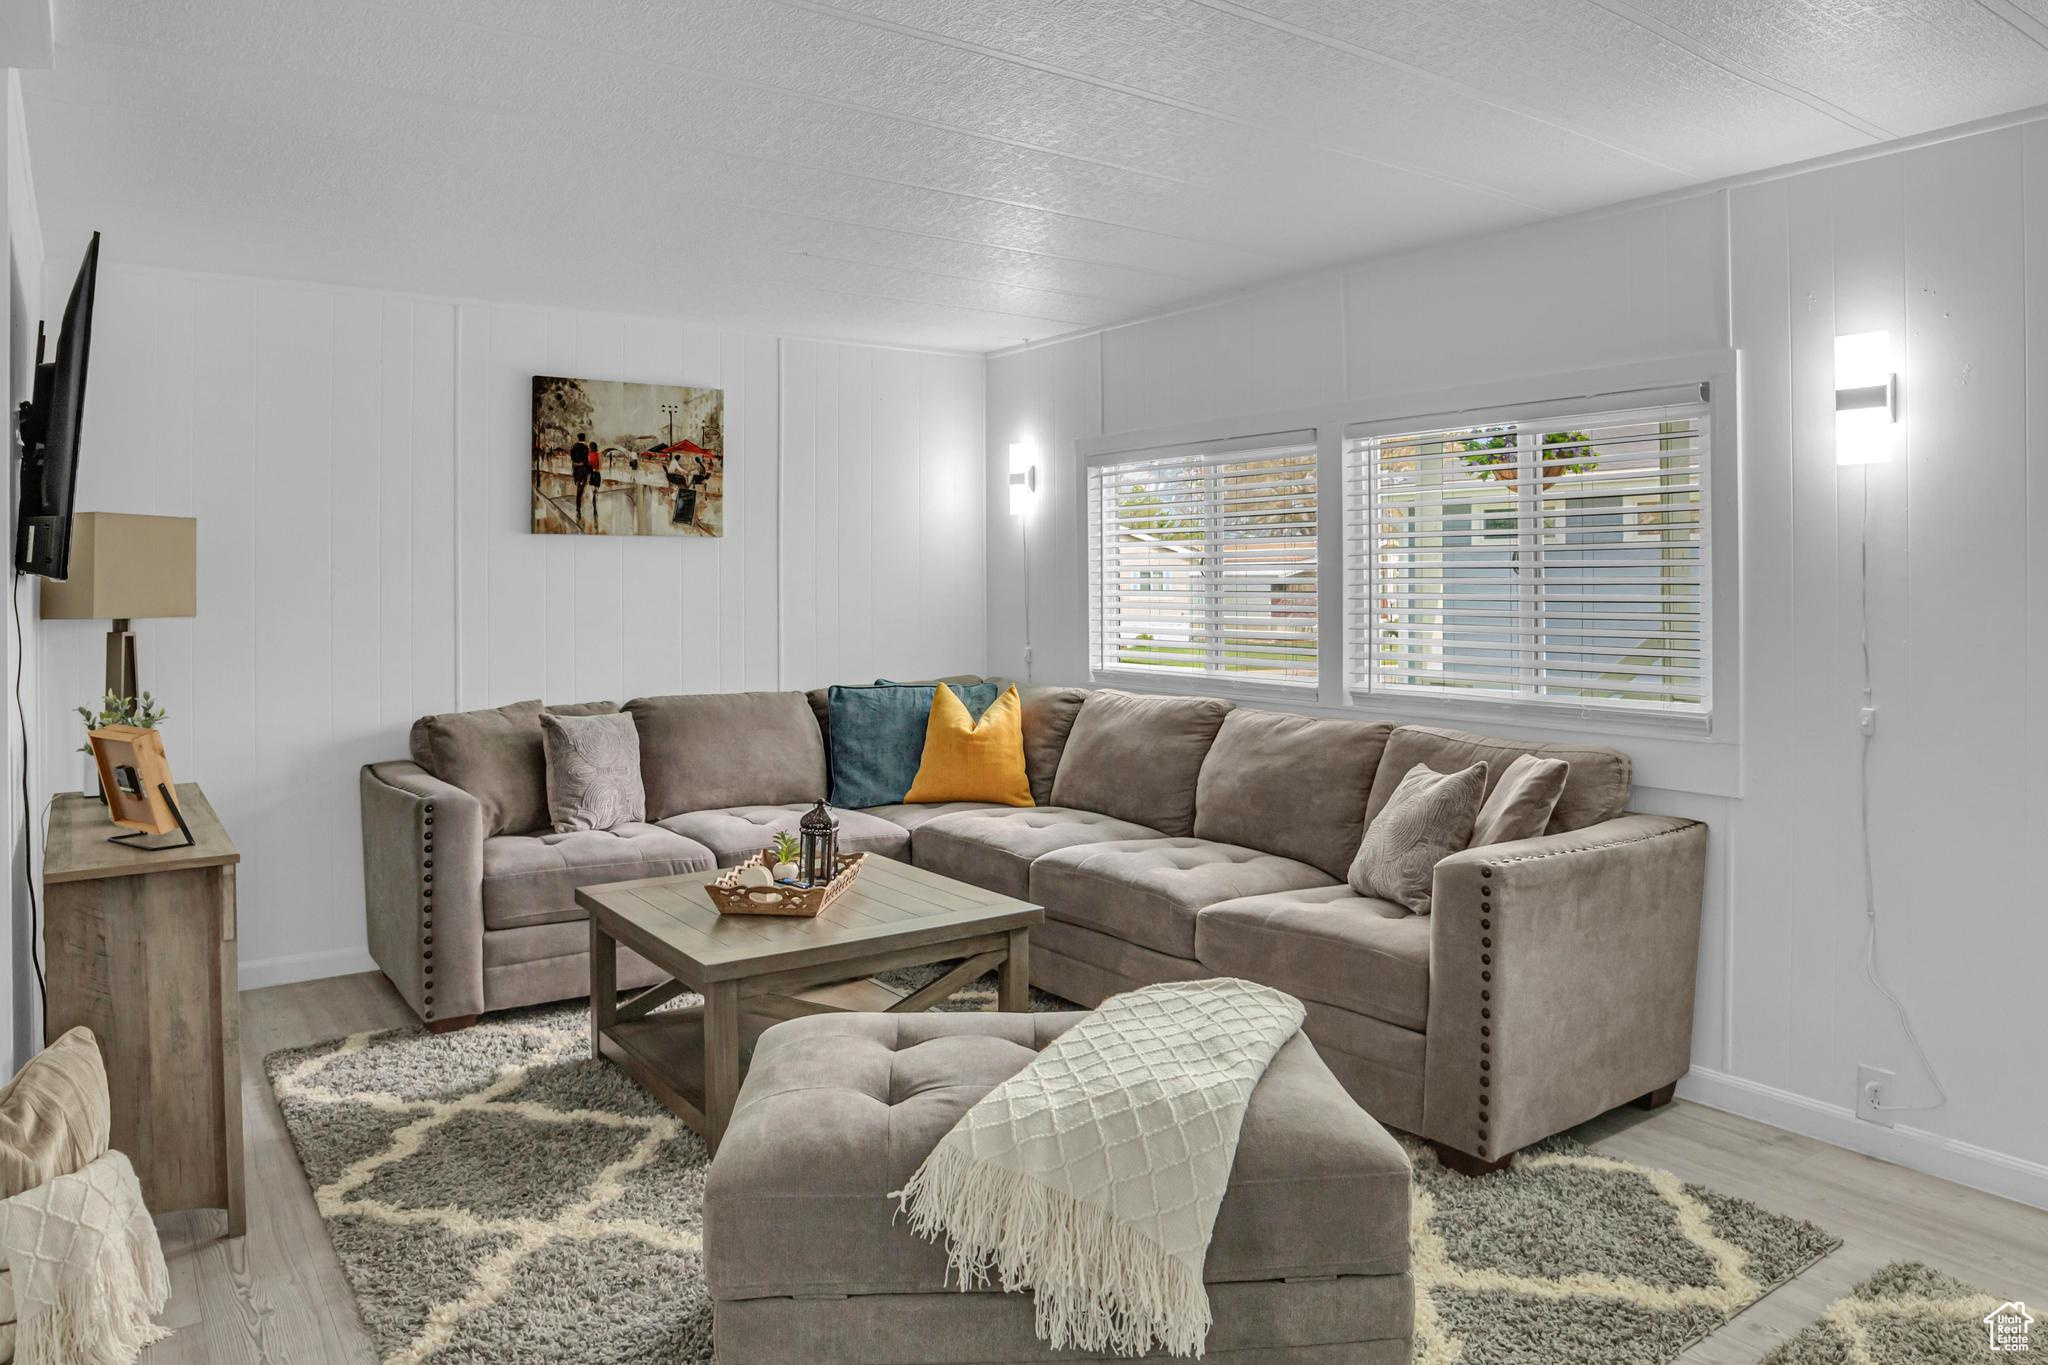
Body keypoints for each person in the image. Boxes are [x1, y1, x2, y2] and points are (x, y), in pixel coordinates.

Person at [570, 432, 592, 528]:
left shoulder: (574, 447)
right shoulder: (586, 448)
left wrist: (576, 464)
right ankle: (579, 503)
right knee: (582, 486)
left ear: (578, 438)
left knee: (578, 485)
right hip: (583, 469)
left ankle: (578, 504)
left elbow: (572, 458)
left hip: (576, 469)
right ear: (584, 438)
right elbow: (586, 460)